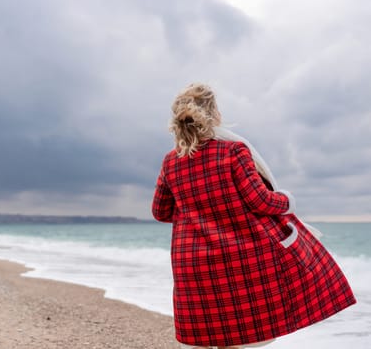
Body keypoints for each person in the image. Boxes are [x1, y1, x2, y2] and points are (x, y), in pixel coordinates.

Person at [152, 83, 356, 349]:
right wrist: (287, 200)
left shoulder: (171, 161)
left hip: (194, 266)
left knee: (209, 333)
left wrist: (193, 210)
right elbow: (260, 201)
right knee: (236, 337)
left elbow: (160, 211)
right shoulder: (233, 152)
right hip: (238, 262)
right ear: (214, 114)